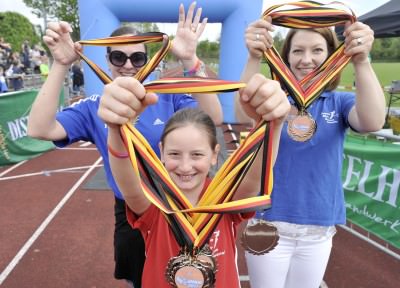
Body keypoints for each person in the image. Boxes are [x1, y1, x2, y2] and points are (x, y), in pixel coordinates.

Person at [27, 3, 222, 287]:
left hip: (179, 205)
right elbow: (39, 128)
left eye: (137, 58)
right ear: (107, 61)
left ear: (148, 59)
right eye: (118, 57)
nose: (128, 66)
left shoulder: (168, 97)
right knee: (139, 280)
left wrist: (191, 61)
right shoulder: (96, 107)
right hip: (132, 211)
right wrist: (60, 64)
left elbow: (214, 116)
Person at [100, 72, 290, 287]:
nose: (185, 166)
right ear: (161, 152)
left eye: (197, 155)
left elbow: (255, 177)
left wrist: (272, 125)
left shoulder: (224, 198)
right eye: (174, 154)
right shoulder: (155, 201)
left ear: (214, 155)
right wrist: (116, 129)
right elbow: (130, 186)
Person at [236, 18, 386, 288]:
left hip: (318, 226)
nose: (307, 59)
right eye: (298, 50)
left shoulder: (339, 101)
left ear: (331, 54)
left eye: (317, 50)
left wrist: (361, 60)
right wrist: (253, 56)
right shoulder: (275, 97)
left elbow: (373, 121)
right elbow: (240, 112)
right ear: (285, 57)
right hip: (267, 222)